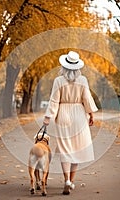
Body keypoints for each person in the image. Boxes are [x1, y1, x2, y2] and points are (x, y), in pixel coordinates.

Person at [43, 51, 98, 195]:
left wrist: (48, 117)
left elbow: (54, 101)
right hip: (79, 114)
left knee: (65, 149)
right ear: (77, 67)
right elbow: (86, 98)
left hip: (63, 114)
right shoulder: (83, 80)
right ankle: (71, 181)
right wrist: (91, 114)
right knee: (77, 148)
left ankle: (66, 179)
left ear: (64, 66)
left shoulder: (58, 80)